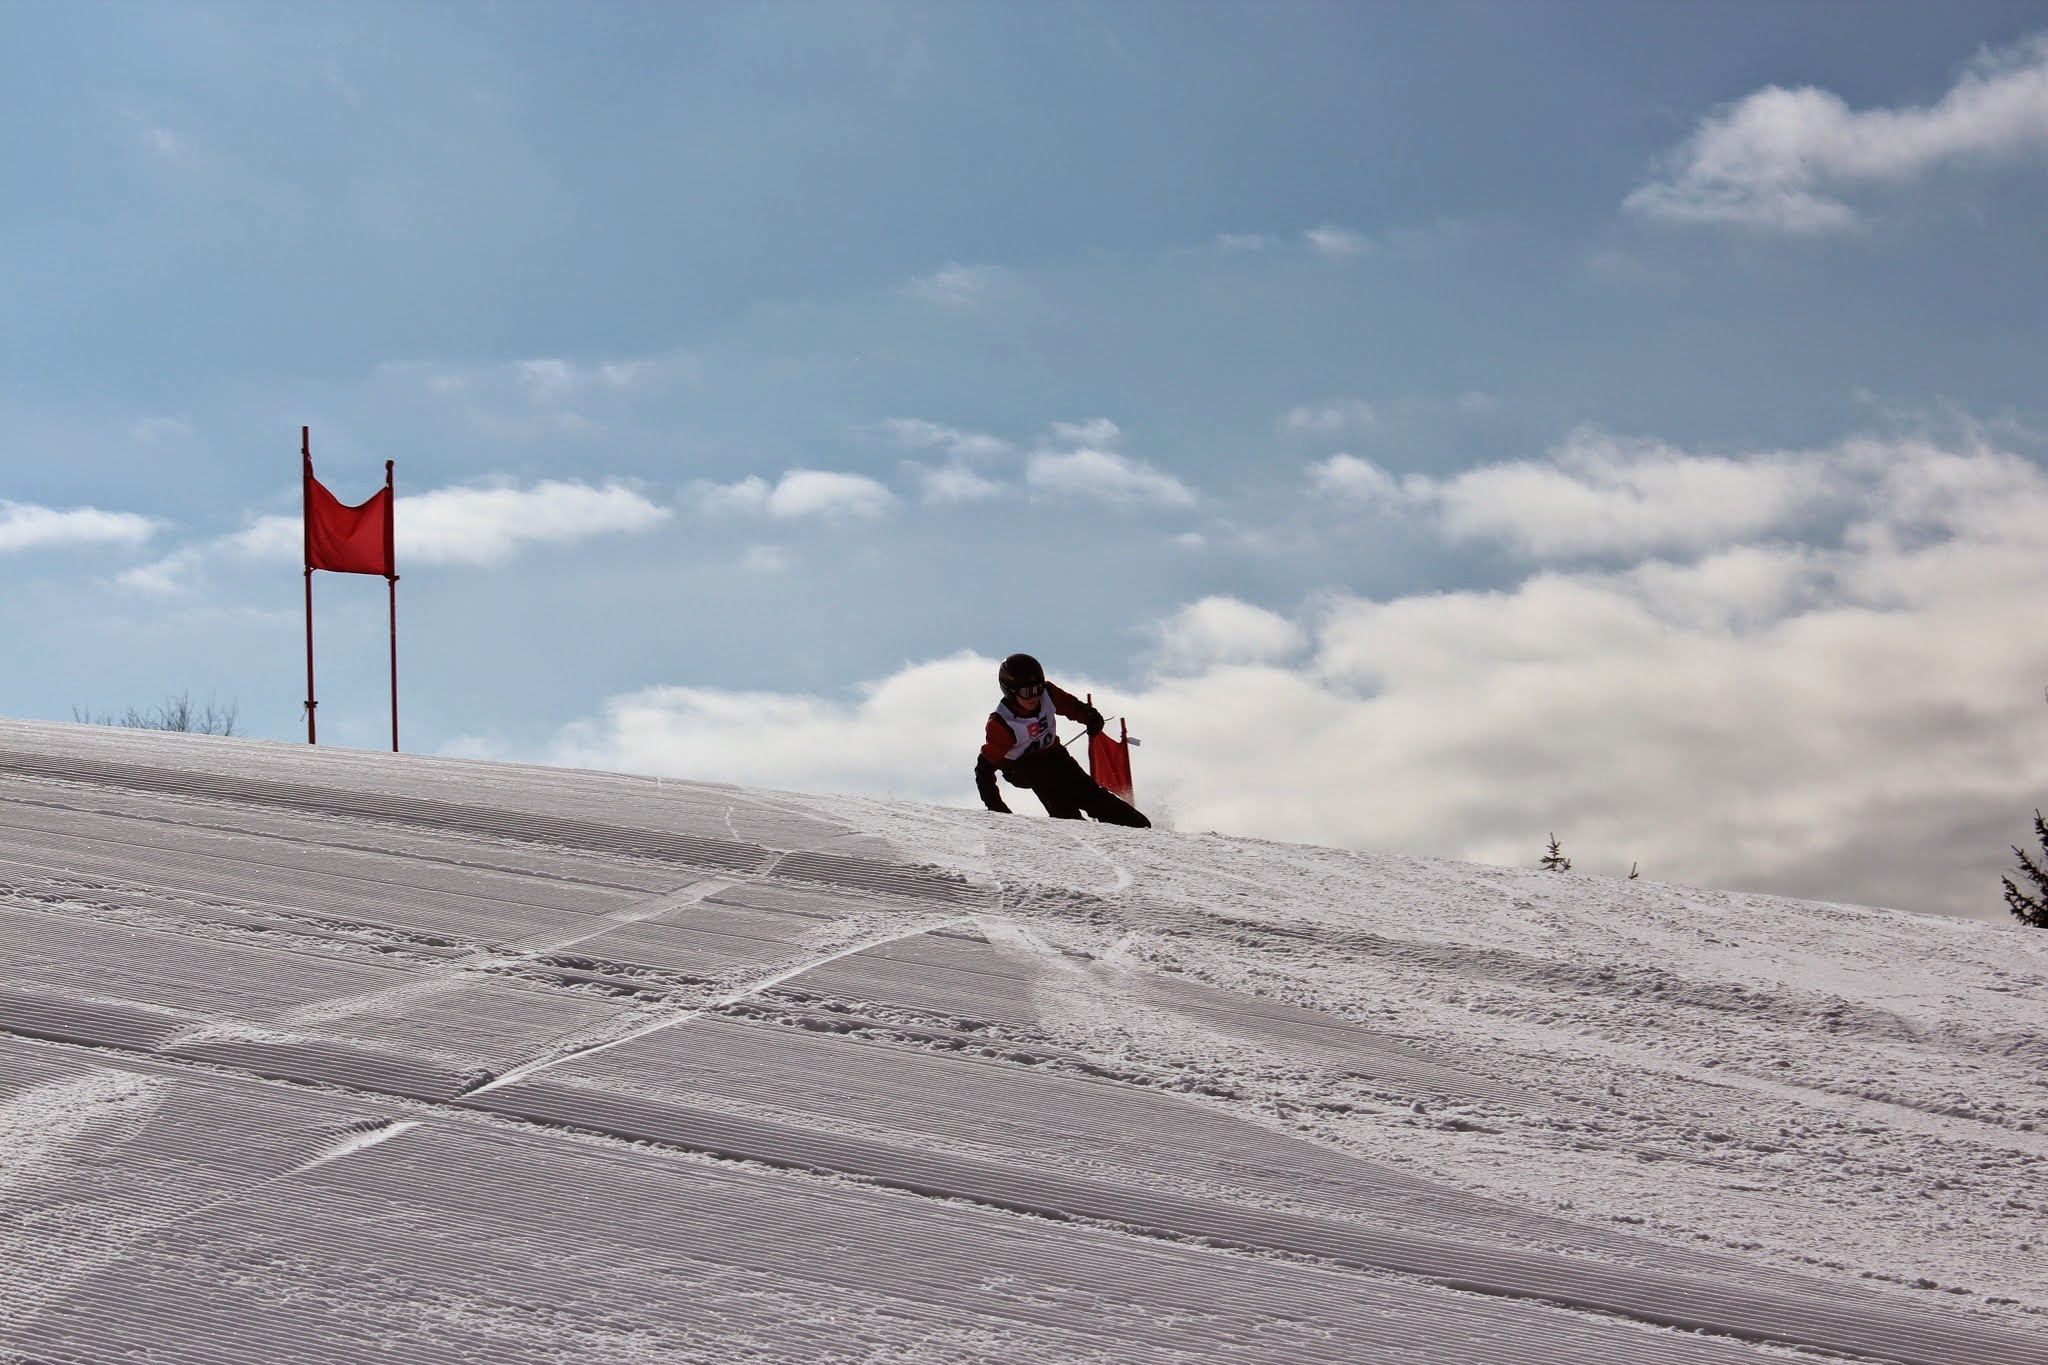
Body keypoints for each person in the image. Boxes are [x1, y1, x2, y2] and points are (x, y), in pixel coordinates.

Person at [974, 653, 1150, 827]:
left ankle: (1137, 825)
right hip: (1020, 769)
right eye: (1027, 692)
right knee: (1041, 772)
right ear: (1010, 691)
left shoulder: (1048, 694)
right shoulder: (1003, 722)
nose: (1034, 696)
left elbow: (1072, 706)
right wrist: (997, 808)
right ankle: (1068, 818)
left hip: (1053, 754)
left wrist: (1090, 717)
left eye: (1038, 688)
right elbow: (984, 771)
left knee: (1087, 790)